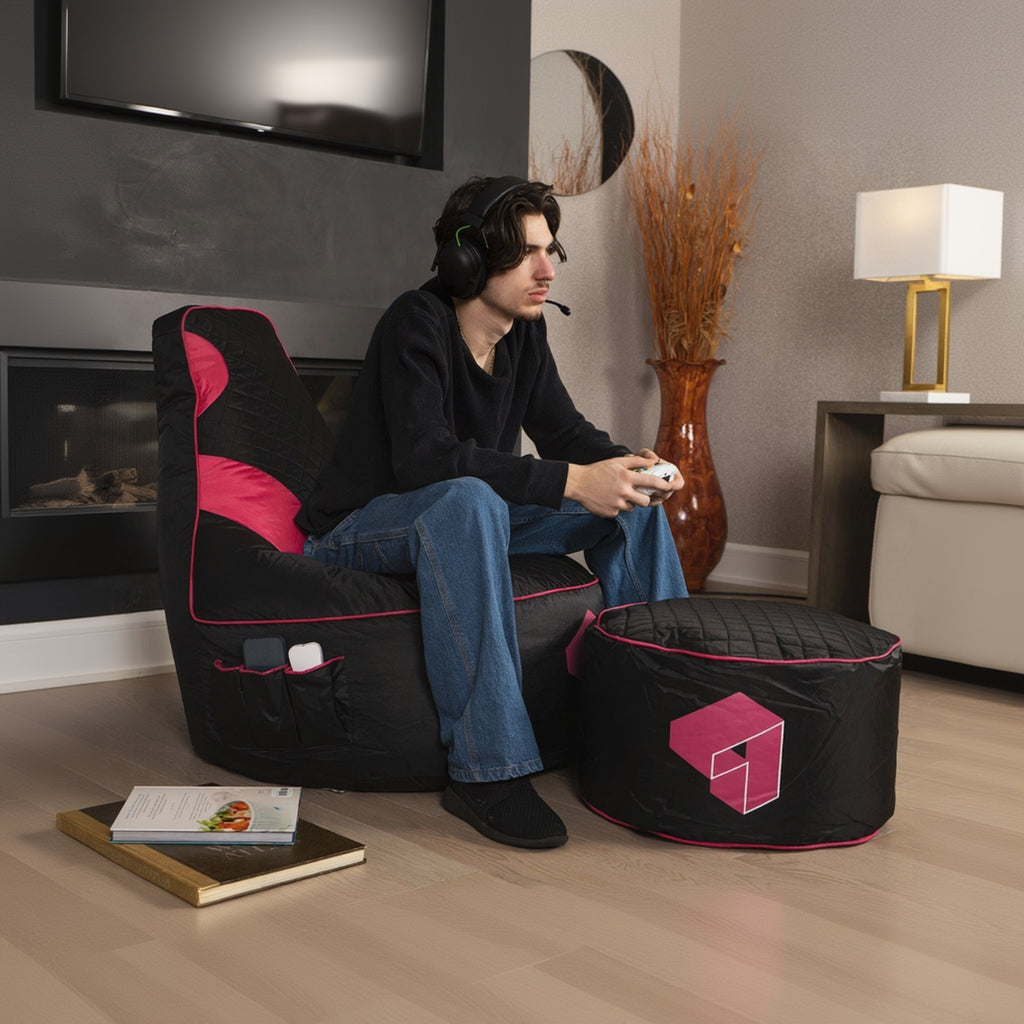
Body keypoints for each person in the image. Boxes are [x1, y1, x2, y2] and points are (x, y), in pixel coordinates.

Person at [296, 175, 688, 849]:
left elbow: (564, 432)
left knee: (630, 502)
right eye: (525, 254)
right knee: (470, 498)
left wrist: (625, 466)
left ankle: (669, 710)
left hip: (465, 517)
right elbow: (426, 461)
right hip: (360, 526)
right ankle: (487, 769)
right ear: (467, 261)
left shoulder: (525, 336)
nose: (547, 269)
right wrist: (570, 481)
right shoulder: (413, 324)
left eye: (550, 250)